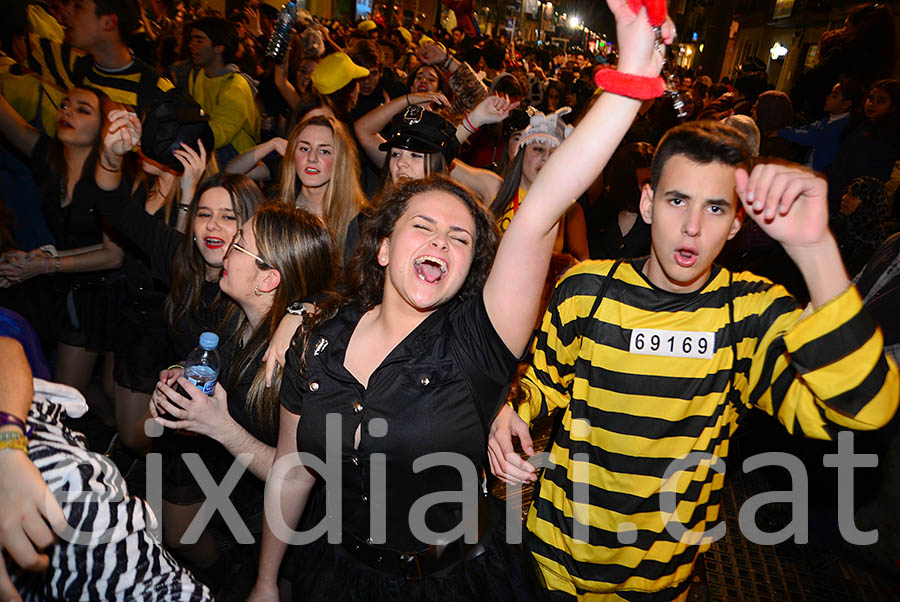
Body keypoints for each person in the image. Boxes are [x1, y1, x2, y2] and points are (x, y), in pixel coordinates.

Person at [248, 2, 676, 600]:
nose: (441, 243)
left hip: (445, 582)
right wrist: (266, 581)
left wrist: (630, 77)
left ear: (470, 268)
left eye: (460, 238)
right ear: (383, 248)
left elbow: (543, 207)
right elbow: (292, 470)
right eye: (423, 227)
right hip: (336, 574)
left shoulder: (475, 344)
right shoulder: (320, 337)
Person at [488, 120, 900, 600]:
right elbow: (542, 385)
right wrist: (506, 410)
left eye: (716, 207)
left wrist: (815, 250)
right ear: (648, 203)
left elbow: (866, 411)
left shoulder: (749, 314)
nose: (692, 227)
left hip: (659, 578)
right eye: (677, 200)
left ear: (736, 223)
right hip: (553, 559)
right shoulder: (585, 290)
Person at [0, 332, 213, 601]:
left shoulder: (69, 493)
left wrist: (8, 452)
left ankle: (220, 567)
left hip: (206, 435)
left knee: (181, 532)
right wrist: (180, 368)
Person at [0, 87, 124, 425]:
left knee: (113, 393)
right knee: (68, 389)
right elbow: (9, 120)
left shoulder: (108, 176)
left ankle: (130, 446)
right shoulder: (50, 160)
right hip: (75, 289)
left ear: (103, 129)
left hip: (119, 292)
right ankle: (109, 437)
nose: (67, 111)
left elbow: (114, 255)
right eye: (65, 104)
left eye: (83, 110)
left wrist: (45, 264)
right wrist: (34, 258)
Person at [24, 0, 173, 132]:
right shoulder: (67, 64)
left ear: (108, 22)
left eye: (78, 6)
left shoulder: (157, 90)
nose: (65, 13)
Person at [490, 107, 589, 261]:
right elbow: (445, 163)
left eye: (555, 153)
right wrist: (473, 121)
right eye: (538, 149)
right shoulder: (494, 188)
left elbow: (583, 273)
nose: (546, 158)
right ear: (521, 153)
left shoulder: (570, 209)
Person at [276, 115, 367, 259]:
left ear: (340, 160)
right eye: (304, 149)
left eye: (324, 151)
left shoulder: (360, 222)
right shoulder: (276, 208)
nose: (312, 158)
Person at [186, 17, 261, 166]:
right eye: (192, 39)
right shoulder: (196, 76)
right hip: (210, 158)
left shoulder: (236, 86)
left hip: (238, 166)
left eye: (199, 40)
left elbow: (219, 135)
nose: (191, 45)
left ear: (219, 48)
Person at [777, 81, 859, 172]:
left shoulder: (842, 125)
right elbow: (808, 129)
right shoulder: (828, 119)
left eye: (834, 96)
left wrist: (781, 132)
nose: (828, 98)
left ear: (846, 104)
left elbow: (813, 137)